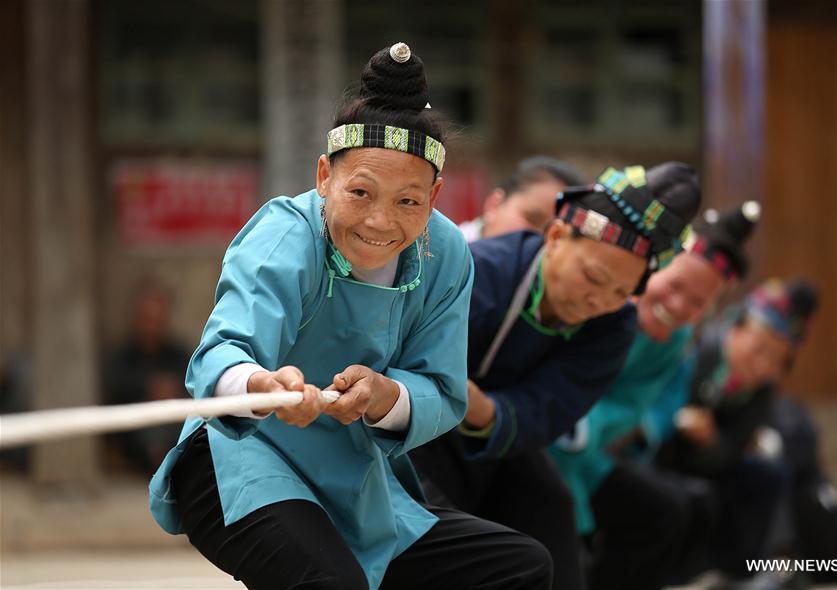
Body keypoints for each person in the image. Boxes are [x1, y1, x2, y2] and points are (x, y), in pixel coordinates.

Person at [148, 43, 552, 590]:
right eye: (360, 192)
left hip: (354, 473)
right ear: (324, 177)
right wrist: (263, 383)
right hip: (239, 458)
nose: (380, 221)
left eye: (408, 201)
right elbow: (223, 352)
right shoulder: (287, 233)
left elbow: (443, 388)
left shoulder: (448, 253)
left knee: (519, 567)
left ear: (434, 198)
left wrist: (385, 396)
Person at [412, 162, 701, 590]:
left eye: (621, 293)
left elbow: (555, 406)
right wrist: (453, 398)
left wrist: (486, 408)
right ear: (555, 235)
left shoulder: (615, 323)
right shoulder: (481, 270)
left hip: (499, 434)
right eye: (593, 278)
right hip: (418, 429)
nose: (597, 300)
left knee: (550, 506)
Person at [549, 201, 760, 589]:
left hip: (590, 449)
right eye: (676, 286)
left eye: (697, 302)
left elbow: (640, 403)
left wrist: (623, 428)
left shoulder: (677, 338)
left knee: (665, 510)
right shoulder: (600, 298)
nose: (679, 306)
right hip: (539, 432)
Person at [653, 278, 819, 581]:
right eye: (758, 350)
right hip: (659, 456)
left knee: (769, 474)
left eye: (777, 361)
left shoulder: (760, 391)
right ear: (736, 329)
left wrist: (711, 441)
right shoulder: (694, 350)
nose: (762, 365)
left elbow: (731, 449)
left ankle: (738, 572)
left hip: (706, 461)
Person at [104, 280, 190, 474]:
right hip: (137, 428)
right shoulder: (122, 356)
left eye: (157, 319)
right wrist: (149, 389)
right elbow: (114, 392)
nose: (152, 326)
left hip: (172, 424)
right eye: (147, 319)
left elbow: (192, 386)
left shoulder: (178, 354)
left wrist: (171, 390)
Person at [457, 156, 585, 242]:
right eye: (532, 219)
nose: (538, 239)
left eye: (556, 234)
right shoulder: (446, 255)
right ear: (494, 204)